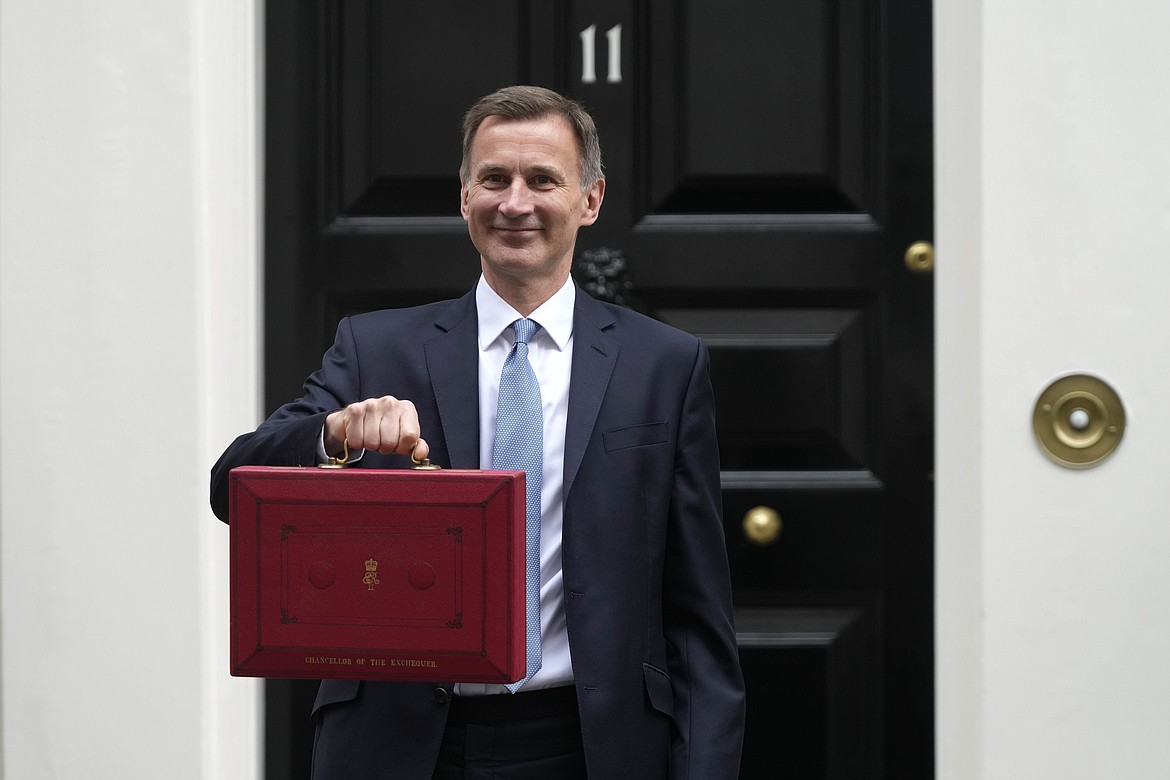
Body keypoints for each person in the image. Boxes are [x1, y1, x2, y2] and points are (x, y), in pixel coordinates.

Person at [210, 85, 745, 779]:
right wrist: (333, 435)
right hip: (402, 746)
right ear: (464, 196)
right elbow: (233, 487)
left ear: (591, 200)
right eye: (494, 178)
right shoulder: (375, 349)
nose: (515, 202)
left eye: (542, 180)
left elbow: (698, 619)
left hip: (592, 745)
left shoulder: (664, 368)